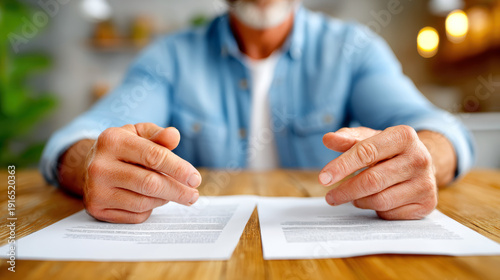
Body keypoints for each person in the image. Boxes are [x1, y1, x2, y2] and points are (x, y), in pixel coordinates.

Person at [40, 0, 475, 223]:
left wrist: (426, 158)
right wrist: (88, 163)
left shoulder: (354, 48)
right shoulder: (168, 57)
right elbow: (81, 137)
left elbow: (436, 127)